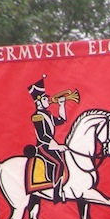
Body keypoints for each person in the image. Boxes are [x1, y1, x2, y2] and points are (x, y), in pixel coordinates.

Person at [27, 74, 69, 203]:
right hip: (43, 147)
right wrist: (57, 146)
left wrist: (61, 105)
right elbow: (43, 136)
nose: (48, 101)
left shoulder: (48, 115)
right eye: (45, 99)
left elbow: (62, 120)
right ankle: (56, 192)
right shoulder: (37, 116)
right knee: (58, 163)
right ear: (39, 101)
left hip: (51, 145)